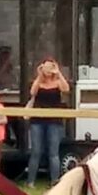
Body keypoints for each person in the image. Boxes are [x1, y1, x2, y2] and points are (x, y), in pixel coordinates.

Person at [25, 58, 69, 187]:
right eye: (46, 67)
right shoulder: (39, 82)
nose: (48, 70)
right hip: (37, 121)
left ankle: (55, 181)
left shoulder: (57, 82)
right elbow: (32, 92)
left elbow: (66, 89)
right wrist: (39, 75)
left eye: (51, 67)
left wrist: (58, 72)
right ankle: (30, 182)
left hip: (54, 121)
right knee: (36, 151)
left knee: (53, 152)